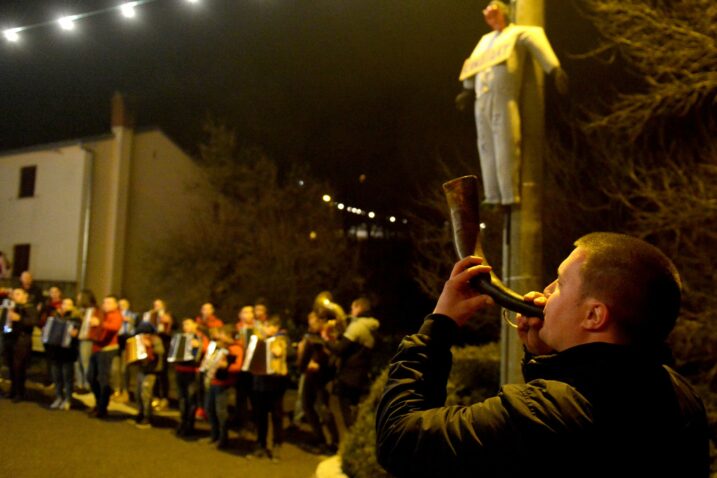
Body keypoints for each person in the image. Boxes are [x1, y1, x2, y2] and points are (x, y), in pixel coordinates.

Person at [375, 232, 710, 477]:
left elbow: (400, 439)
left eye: (561, 283)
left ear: (594, 316)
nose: (546, 291)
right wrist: (545, 354)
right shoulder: (681, 395)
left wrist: (439, 326)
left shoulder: (546, 415)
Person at [456, 1, 567, 205]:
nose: (491, 18)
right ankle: (492, 195)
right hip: (482, 98)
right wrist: (467, 89)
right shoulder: (485, 40)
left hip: (503, 96)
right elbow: (473, 63)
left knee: (505, 142)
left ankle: (508, 195)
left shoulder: (516, 33)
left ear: (504, 13)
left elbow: (536, 38)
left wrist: (554, 68)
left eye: (495, 13)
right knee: (485, 146)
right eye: (488, 15)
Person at [324, 296, 380, 428]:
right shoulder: (370, 325)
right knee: (354, 407)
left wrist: (326, 340)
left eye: (353, 307)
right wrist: (340, 335)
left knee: (346, 409)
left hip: (349, 375)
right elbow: (354, 346)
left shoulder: (357, 326)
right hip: (361, 374)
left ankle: (351, 439)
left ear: (359, 307)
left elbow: (339, 349)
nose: (351, 310)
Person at [299, 311, 340, 454]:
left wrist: (318, 362)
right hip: (311, 376)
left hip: (322, 377)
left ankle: (334, 442)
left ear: (321, 321)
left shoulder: (328, 334)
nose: (311, 324)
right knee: (307, 406)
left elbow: (332, 354)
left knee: (323, 408)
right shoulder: (313, 336)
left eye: (313, 321)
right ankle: (320, 438)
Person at [249, 315, 289, 461]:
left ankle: (277, 445)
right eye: (265, 326)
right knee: (260, 415)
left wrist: (270, 344)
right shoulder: (259, 340)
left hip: (275, 382)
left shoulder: (280, 339)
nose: (267, 329)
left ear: (276, 328)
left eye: (270, 326)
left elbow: (279, 352)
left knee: (277, 415)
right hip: (259, 381)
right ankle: (260, 444)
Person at [204, 325, 243, 449]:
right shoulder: (222, 348)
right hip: (214, 381)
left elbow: (238, 367)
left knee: (221, 412)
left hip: (224, 383)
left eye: (222, 334)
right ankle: (214, 435)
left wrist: (225, 366)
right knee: (210, 409)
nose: (219, 336)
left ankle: (223, 438)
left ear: (228, 336)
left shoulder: (235, 349)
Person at [87, 295, 123, 418]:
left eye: (109, 303)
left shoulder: (116, 315)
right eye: (104, 302)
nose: (105, 305)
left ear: (115, 305)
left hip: (108, 350)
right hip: (96, 348)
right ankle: (98, 403)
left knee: (103, 379)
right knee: (91, 377)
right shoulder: (101, 314)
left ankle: (102, 408)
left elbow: (114, 327)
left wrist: (100, 323)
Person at [2, 288, 39, 401]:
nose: (15, 296)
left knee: (19, 367)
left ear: (25, 296)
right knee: (11, 366)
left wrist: (20, 319)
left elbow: (33, 322)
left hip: (22, 340)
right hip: (9, 338)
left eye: (18, 294)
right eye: (14, 294)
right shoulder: (10, 307)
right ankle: (12, 390)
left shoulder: (30, 308)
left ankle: (20, 392)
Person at [45, 297, 81, 411]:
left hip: (68, 353)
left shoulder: (76, 319)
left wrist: (75, 334)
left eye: (69, 304)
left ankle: (68, 398)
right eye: (64, 304)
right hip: (55, 351)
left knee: (67, 377)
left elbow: (77, 336)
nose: (66, 306)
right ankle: (59, 397)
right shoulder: (55, 317)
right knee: (56, 376)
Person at [174, 317, 208, 437]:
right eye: (184, 325)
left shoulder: (200, 338)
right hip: (180, 371)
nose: (185, 327)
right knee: (182, 398)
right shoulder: (180, 338)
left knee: (191, 398)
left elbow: (206, 351)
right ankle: (182, 422)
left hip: (192, 372)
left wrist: (198, 346)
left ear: (195, 325)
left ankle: (189, 424)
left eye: (188, 324)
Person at [131, 321, 165, 429]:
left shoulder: (156, 340)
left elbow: (161, 351)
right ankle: (140, 412)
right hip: (142, 369)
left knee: (146, 394)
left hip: (151, 371)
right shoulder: (139, 340)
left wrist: (151, 346)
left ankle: (147, 416)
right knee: (138, 393)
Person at [143, 299, 173, 411]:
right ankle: (155, 396)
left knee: (163, 371)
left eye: (159, 305)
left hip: (164, 345)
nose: (156, 307)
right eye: (155, 305)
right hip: (153, 345)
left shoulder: (168, 315)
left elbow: (173, 327)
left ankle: (165, 397)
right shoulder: (150, 315)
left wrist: (168, 321)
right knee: (154, 371)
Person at [233, 305, 255, 432]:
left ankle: (254, 421)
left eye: (250, 312)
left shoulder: (258, 328)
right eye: (245, 312)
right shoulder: (237, 328)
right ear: (240, 315)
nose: (248, 314)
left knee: (254, 396)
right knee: (241, 395)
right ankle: (241, 420)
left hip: (253, 367)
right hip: (241, 366)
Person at [113, 298, 137, 403]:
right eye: (120, 304)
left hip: (127, 340)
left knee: (124, 368)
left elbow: (135, 329)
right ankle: (117, 389)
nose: (121, 306)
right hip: (117, 341)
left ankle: (126, 391)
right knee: (115, 368)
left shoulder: (133, 315)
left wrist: (130, 321)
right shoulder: (115, 315)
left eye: (123, 304)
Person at [74, 289, 97, 392]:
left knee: (85, 362)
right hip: (81, 338)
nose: (77, 299)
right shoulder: (82, 311)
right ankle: (80, 383)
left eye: (79, 297)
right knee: (78, 362)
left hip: (87, 339)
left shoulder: (93, 311)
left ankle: (88, 384)